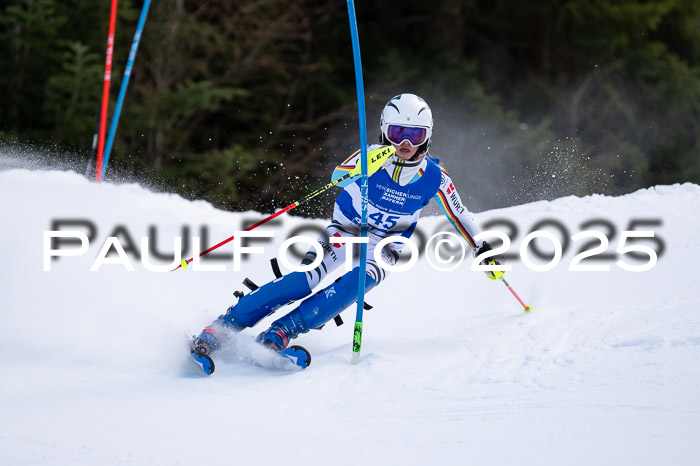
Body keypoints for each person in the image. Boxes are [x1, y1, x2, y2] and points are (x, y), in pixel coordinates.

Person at [191, 93, 504, 357]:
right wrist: (365, 165)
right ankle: (224, 326)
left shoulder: (436, 177)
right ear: (384, 132)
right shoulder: (371, 156)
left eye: (415, 135)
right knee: (303, 280)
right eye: (397, 134)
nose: (405, 143)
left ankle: (283, 332)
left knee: (359, 283)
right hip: (346, 230)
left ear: (428, 136)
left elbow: (460, 214)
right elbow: (337, 176)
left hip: (386, 245)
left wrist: (482, 248)